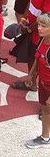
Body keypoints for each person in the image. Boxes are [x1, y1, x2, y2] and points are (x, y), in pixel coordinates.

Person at [25, 12, 50, 149]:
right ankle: (45, 138)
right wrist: (31, 74)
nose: (39, 28)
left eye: (43, 26)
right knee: (46, 111)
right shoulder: (43, 39)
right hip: (43, 83)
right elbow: (38, 56)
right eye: (39, 24)